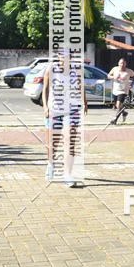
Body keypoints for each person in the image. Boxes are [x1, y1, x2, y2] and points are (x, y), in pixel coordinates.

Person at [43, 55, 88, 187]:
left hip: (72, 110)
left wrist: (85, 102)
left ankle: (68, 174)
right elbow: (45, 89)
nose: (66, 57)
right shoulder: (52, 68)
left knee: (70, 141)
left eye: (68, 54)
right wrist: (45, 107)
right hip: (55, 110)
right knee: (53, 143)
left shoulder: (77, 69)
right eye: (63, 54)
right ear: (58, 56)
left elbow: (81, 86)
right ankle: (50, 164)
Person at [107, 58, 134, 124]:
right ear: (118, 63)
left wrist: (132, 84)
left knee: (118, 104)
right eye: (121, 63)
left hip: (123, 91)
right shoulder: (115, 69)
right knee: (117, 106)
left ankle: (115, 119)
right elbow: (108, 75)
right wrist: (113, 77)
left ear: (125, 64)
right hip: (115, 90)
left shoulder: (128, 71)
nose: (122, 65)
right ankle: (124, 112)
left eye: (123, 63)